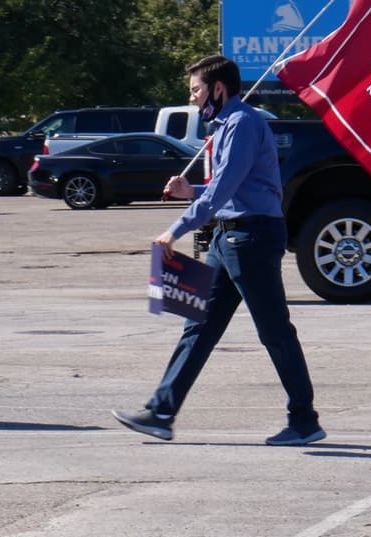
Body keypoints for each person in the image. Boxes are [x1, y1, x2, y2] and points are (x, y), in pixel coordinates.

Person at [112, 56, 324, 446]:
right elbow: (230, 187)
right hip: (228, 239)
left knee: (275, 332)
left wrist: (173, 231)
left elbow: (226, 187)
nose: (192, 98)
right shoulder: (227, 125)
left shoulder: (243, 123)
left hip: (251, 238)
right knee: (198, 327)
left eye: (196, 90)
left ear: (219, 89)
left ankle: (304, 420)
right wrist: (190, 191)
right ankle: (161, 412)